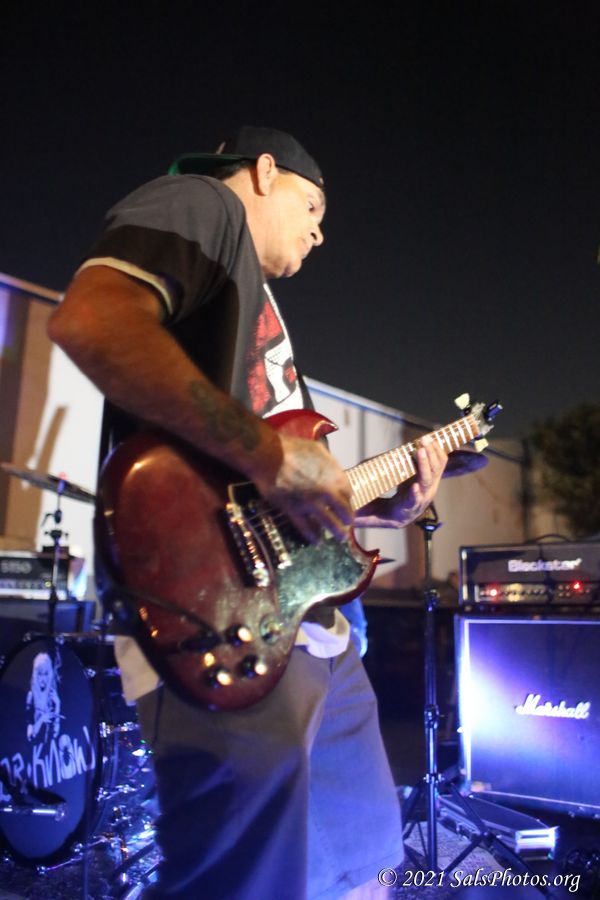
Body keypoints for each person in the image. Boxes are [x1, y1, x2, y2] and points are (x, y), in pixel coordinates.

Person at [48, 126, 447, 900]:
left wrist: (378, 509)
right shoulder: (204, 204)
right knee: (246, 880)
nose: (320, 231)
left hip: (309, 623)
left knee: (364, 868)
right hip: (217, 611)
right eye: (313, 206)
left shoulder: (252, 307)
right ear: (264, 172)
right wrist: (269, 455)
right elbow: (91, 320)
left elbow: (275, 491)